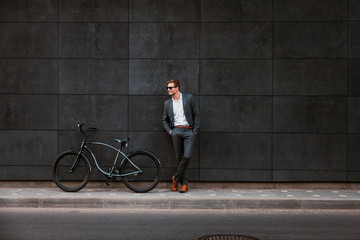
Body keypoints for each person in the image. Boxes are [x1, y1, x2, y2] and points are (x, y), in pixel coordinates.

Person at [162, 78, 200, 193]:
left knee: (187, 156)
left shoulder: (189, 98)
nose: (168, 89)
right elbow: (164, 120)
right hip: (176, 131)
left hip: (189, 131)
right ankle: (184, 184)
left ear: (177, 88)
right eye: (167, 87)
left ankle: (176, 178)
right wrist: (170, 131)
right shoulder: (167, 103)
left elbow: (196, 114)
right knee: (179, 159)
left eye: (170, 87)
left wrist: (196, 130)